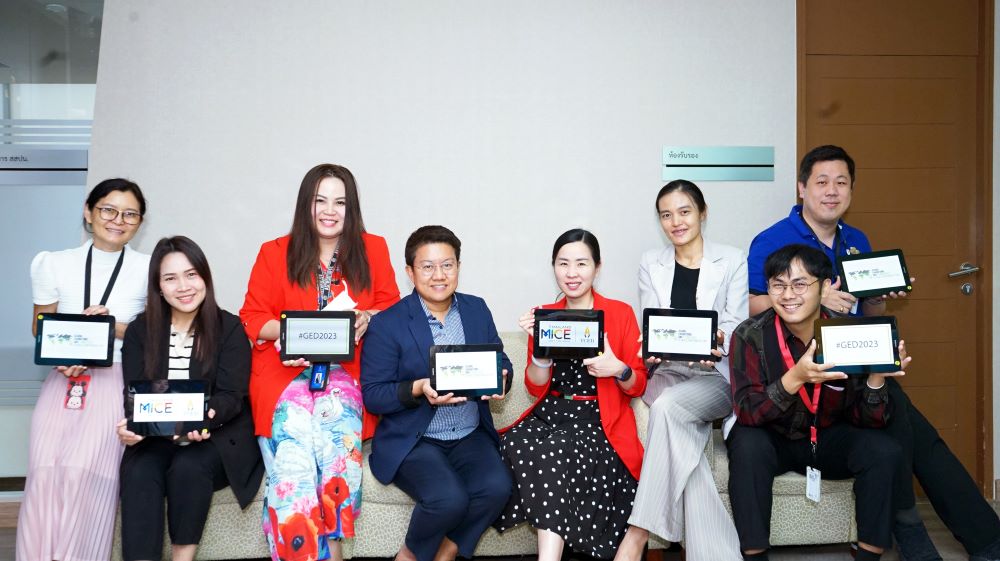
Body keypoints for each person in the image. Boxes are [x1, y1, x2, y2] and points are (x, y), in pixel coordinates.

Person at [746, 145, 1000, 561]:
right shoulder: (772, 239)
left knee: (915, 433)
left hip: (858, 362)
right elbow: (754, 306)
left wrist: (879, 298)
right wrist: (817, 295)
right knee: (907, 426)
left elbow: (867, 312)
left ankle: (975, 538)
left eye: (841, 182)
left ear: (851, 190)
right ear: (802, 188)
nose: (832, 191)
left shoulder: (857, 241)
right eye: (822, 182)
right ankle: (929, 531)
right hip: (807, 368)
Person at [240, 164, 400, 561]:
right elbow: (252, 317)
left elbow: (392, 307)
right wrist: (291, 332)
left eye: (340, 202)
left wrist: (368, 318)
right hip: (285, 373)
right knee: (294, 456)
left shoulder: (373, 248)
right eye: (320, 200)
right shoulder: (273, 251)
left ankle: (334, 548)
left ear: (351, 208)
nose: (330, 211)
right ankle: (306, 551)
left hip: (346, 372)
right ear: (305, 205)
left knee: (336, 446)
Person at [729, 244, 907, 561]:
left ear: (824, 288)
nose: (788, 295)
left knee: (884, 450)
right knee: (746, 443)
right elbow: (747, 410)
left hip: (826, 436)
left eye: (800, 284)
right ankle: (754, 555)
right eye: (778, 285)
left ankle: (868, 555)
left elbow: (869, 420)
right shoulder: (749, 335)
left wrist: (876, 378)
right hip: (773, 438)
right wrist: (795, 377)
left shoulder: (850, 333)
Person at [17, 178, 151, 561]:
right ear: (89, 213)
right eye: (108, 210)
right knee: (45, 472)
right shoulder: (53, 262)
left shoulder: (148, 268)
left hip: (114, 377)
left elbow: (153, 333)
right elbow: (39, 326)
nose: (118, 220)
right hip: (62, 378)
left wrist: (110, 327)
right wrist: (64, 349)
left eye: (130, 214)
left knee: (85, 477)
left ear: (140, 222)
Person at [361, 225, 513, 561]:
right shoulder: (387, 323)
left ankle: (446, 552)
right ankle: (409, 555)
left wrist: (503, 379)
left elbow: (500, 360)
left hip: (469, 434)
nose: (439, 275)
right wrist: (418, 388)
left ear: (458, 266)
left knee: (497, 487)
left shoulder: (476, 309)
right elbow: (373, 395)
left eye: (447, 265)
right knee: (449, 498)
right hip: (415, 439)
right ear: (410, 272)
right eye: (427, 266)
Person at [495, 229, 647, 561]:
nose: (572, 273)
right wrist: (540, 356)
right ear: (553, 267)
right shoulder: (546, 314)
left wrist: (618, 369)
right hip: (549, 412)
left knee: (554, 449)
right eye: (563, 264)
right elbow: (535, 386)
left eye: (581, 263)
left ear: (597, 267)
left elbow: (637, 385)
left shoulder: (619, 313)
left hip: (596, 419)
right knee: (512, 442)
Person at [615, 181, 745, 561]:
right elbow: (652, 322)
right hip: (667, 372)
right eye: (666, 215)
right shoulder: (650, 262)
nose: (676, 222)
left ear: (703, 213)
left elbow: (737, 324)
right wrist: (652, 341)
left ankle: (637, 533)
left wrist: (717, 339)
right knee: (684, 445)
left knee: (668, 409)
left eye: (685, 211)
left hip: (713, 375)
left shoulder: (732, 258)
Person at [116, 236, 263, 561]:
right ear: (158, 287)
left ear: (205, 278)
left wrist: (202, 417)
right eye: (170, 278)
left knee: (189, 466)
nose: (183, 286)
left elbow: (232, 396)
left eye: (191, 275)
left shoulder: (229, 328)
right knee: (139, 470)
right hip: (156, 436)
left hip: (216, 435)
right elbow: (134, 394)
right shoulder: (140, 331)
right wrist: (133, 426)